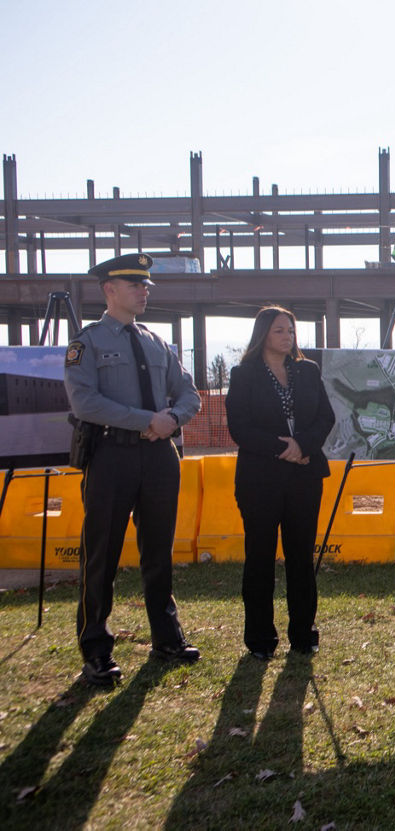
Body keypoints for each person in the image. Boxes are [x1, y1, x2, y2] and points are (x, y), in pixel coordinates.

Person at [63, 253, 202, 686]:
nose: (144, 291)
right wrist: (147, 420)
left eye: (145, 286)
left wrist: (173, 419)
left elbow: (189, 394)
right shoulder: (87, 343)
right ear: (109, 290)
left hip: (160, 458)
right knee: (100, 553)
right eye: (134, 285)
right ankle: (96, 651)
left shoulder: (156, 342)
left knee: (158, 550)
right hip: (111, 456)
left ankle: (166, 637)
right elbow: (85, 402)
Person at [226, 306, 335, 659]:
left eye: (290, 330)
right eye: (279, 330)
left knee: (301, 558)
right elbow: (239, 427)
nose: (287, 336)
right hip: (260, 479)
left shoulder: (307, 370)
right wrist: (283, 448)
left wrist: (303, 445)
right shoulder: (244, 375)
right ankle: (260, 640)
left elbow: (325, 416)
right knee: (259, 558)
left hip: (304, 477)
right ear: (263, 335)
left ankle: (304, 634)